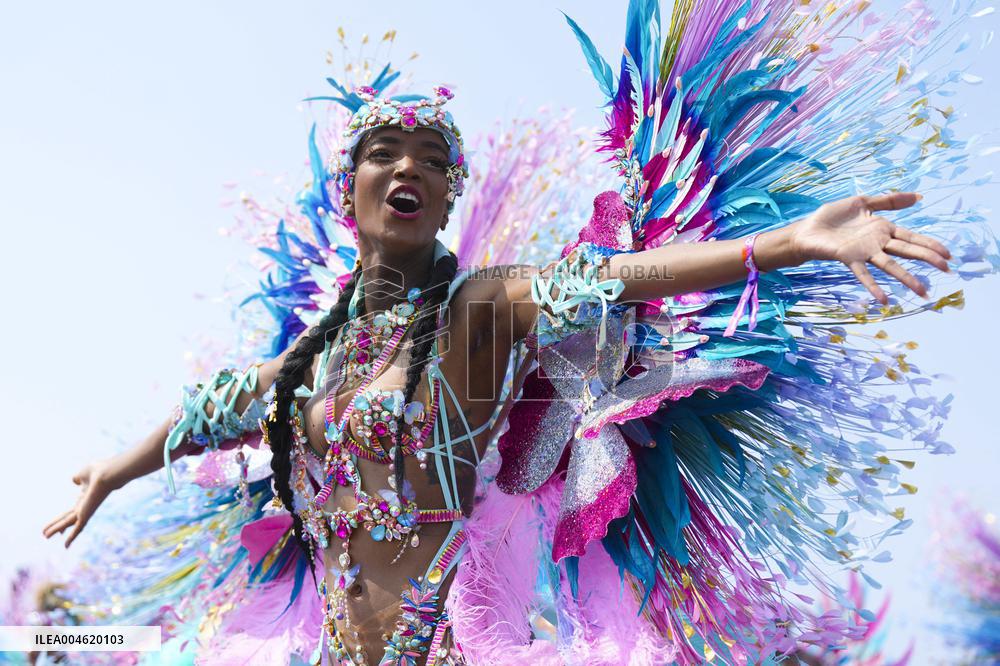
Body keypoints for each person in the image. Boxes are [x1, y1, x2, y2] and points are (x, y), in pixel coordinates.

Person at [38, 1, 993, 664]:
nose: (406, 167)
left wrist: (789, 242)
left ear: (448, 197)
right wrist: (115, 471)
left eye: (430, 160)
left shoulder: (479, 313)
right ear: (350, 189)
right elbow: (216, 409)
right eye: (384, 153)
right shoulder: (311, 365)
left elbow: (614, 277)